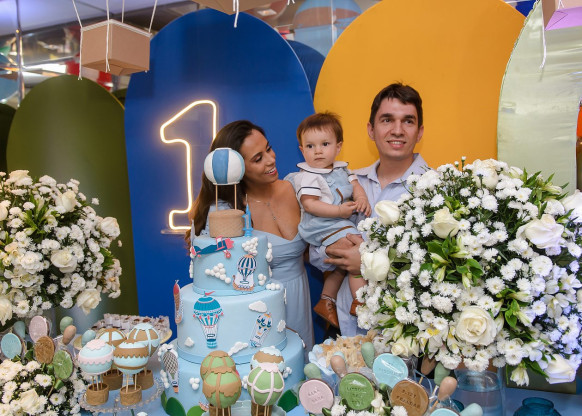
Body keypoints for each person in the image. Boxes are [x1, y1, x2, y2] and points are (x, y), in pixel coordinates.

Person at [312, 83, 429, 336]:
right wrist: (336, 251)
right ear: (371, 130)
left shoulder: (435, 190)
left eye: (408, 121)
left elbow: (437, 271)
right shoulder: (345, 183)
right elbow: (315, 247)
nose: (397, 130)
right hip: (347, 328)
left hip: (406, 334)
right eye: (387, 120)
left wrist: (366, 262)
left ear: (419, 132)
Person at [190, 120, 315, 351]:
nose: (270, 159)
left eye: (268, 148)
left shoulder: (296, 188)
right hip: (258, 314)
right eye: (258, 159)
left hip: (299, 299)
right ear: (237, 168)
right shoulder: (226, 214)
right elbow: (217, 278)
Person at [292, 112, 371, 328]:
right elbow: (310, 204)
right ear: (302, 150)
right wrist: (338, 211)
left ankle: (327, 300)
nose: (318, 151)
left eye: (325, 144)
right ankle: (361, 301)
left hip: (339, 223)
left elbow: (355, 185)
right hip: (321, 225)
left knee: (342, 261)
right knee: (357, 252)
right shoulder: (307, 176)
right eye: (310, 146)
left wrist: (361, 198)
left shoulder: (342, 169)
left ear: (338, 147)